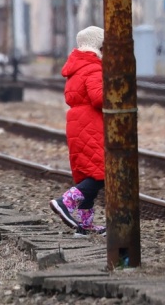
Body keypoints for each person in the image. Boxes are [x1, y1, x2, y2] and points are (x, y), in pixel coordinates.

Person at [49, 26, 107, 236]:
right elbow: (99, 97)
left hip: (78, 123)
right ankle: (64, 202)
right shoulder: (93, 67)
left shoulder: (77, 66)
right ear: (97, 45)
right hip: (91, 123)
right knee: (102, 172)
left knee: (88, 172)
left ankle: (86, 224)